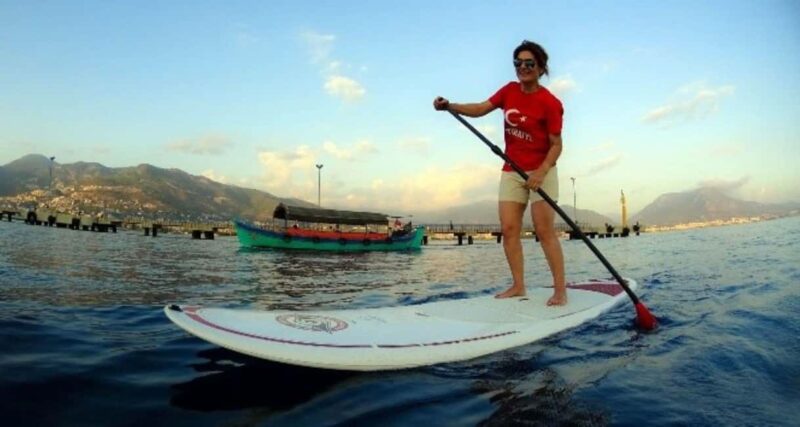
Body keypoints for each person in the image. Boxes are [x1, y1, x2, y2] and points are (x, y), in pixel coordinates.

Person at [433, 40, 567, 306]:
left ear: (541, 68)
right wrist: (451, 106)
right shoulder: (509, 91)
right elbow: (481, 108)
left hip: (543, 169)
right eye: (518, 63)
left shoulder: (550, 103)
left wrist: (540, 173)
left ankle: (560, 290)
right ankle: (519, 286)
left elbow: (557, 145)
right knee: (508, 229)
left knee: (544, 230)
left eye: (530, 63)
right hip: (512, 169)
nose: (523, 68)